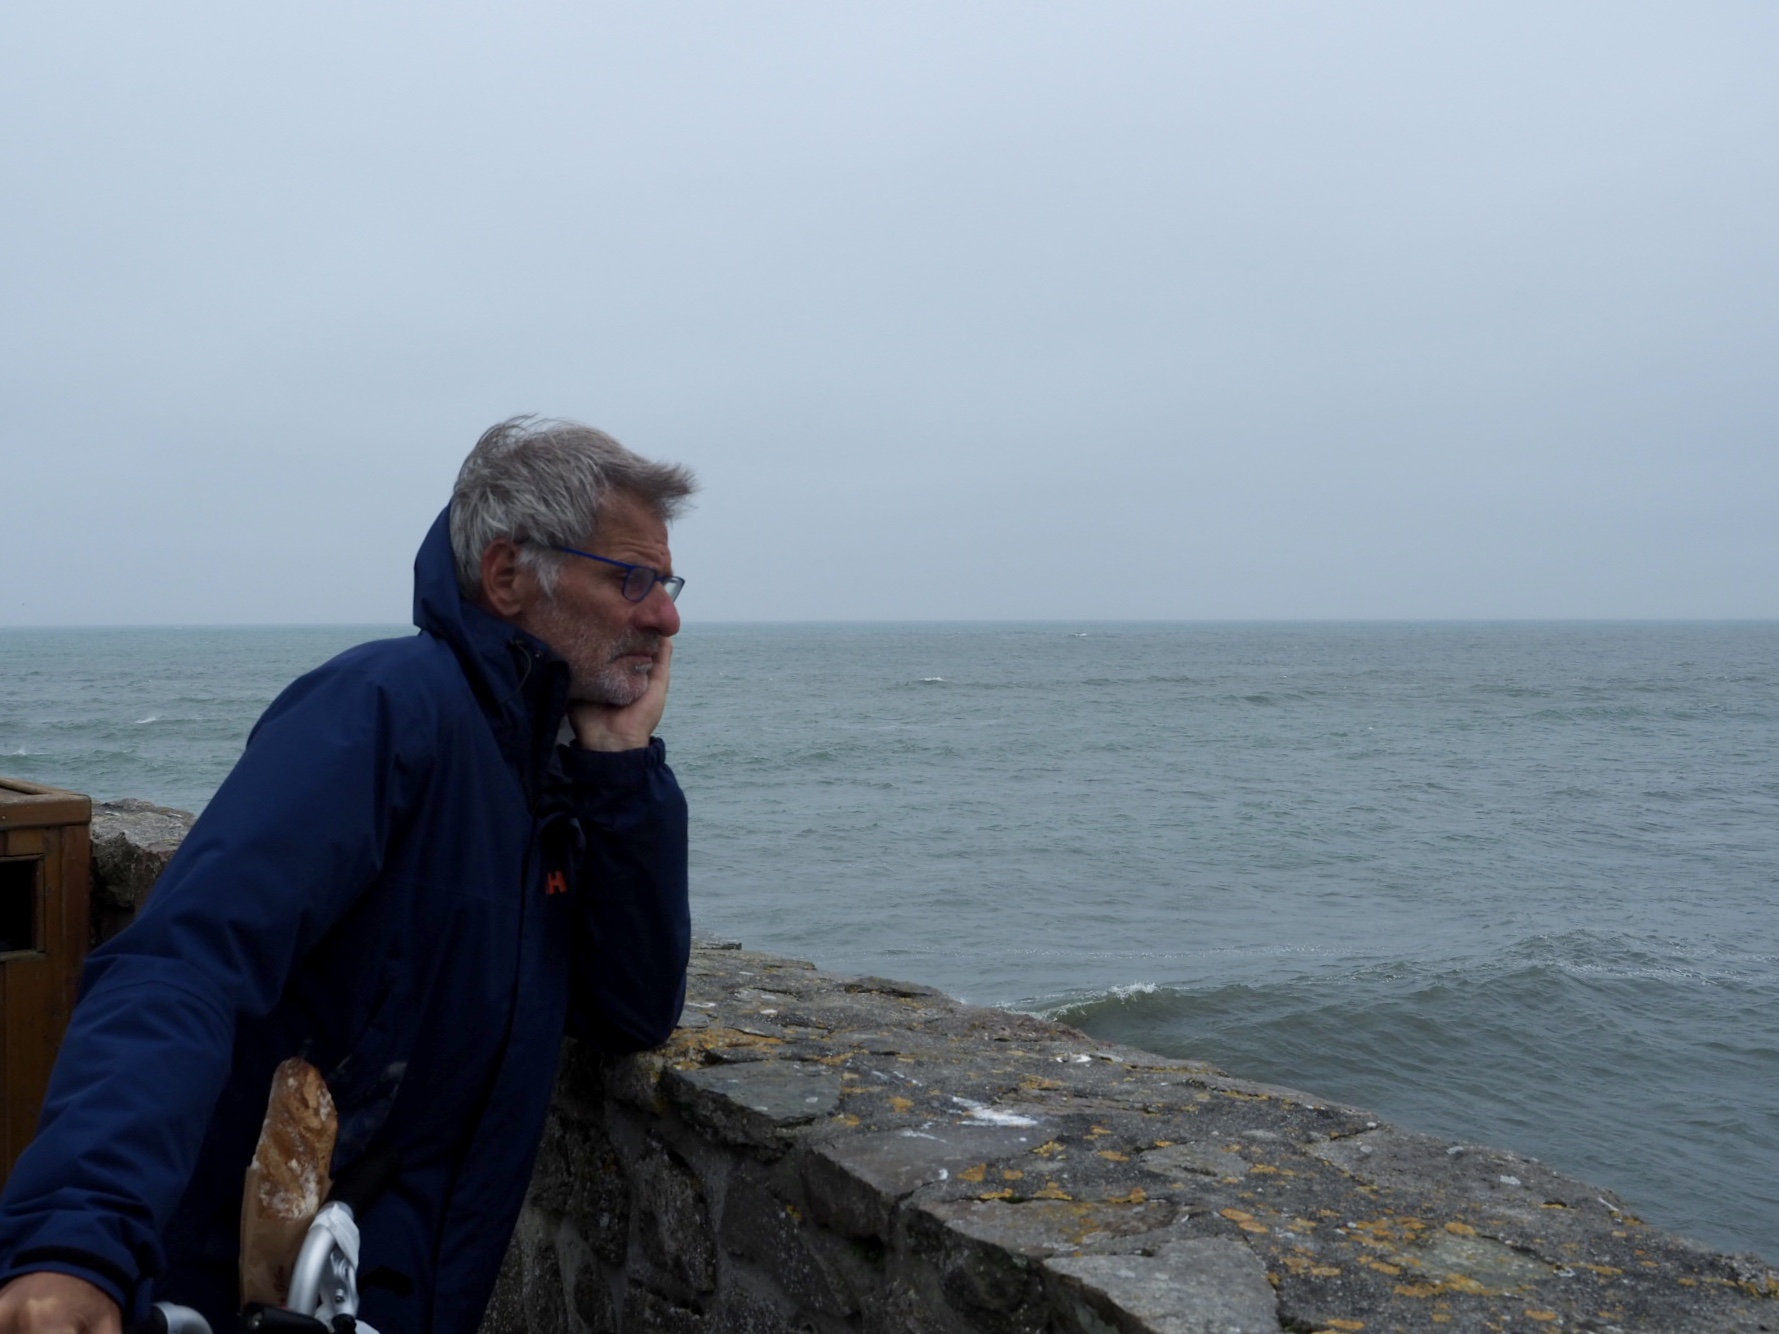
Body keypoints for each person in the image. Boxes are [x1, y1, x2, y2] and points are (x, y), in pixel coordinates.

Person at [0, 417, 697, 1334]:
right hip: (232, 1294)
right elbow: (185, 963)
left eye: (667, 585)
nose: (665, 617)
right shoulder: (382, 710)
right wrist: (74, 1242)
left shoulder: (550, 776)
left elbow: (629, 1011)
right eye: (632, 580)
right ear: (507, 576)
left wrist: (622, 768)